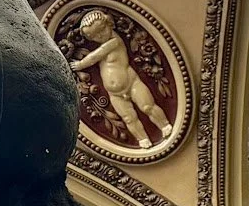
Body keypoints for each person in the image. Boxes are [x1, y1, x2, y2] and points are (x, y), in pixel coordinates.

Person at [68, 8, 172, 148]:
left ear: (109, 24)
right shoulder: (104, 43)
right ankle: (142, 139)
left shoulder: (114, 41)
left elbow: (96, 56)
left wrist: (80, 64)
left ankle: (164, 125)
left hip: (132, 83)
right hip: (114, 93)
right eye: (94, 36)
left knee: (147, 106)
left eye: (101, 30)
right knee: (129, 118)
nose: (100, 36)